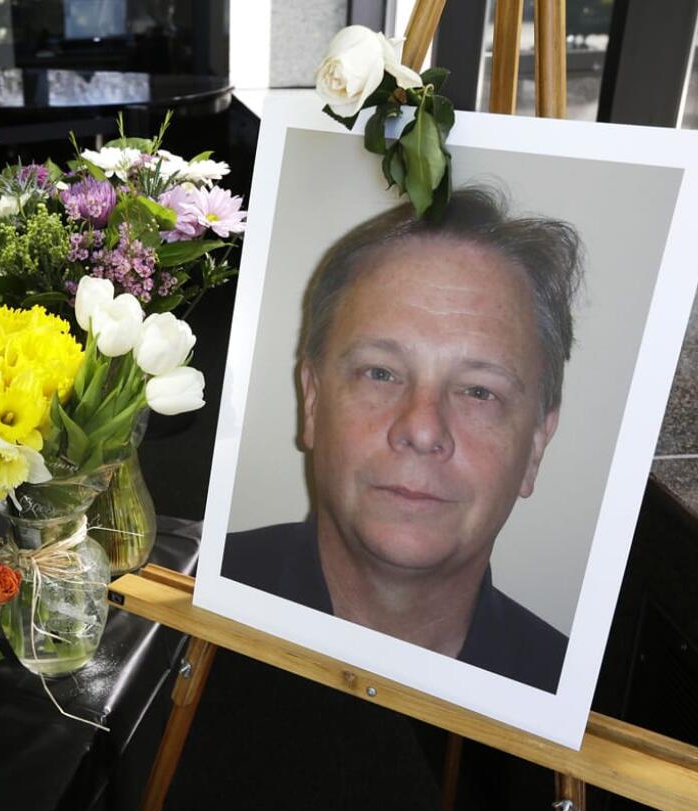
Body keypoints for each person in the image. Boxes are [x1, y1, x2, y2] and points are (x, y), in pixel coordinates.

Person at [222, 186, 582, 693]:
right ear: (312, 402)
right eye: (381, 373)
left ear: (537, 446)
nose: (421, 429)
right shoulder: (175, 607)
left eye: (479, 391)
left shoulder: (585, 714)